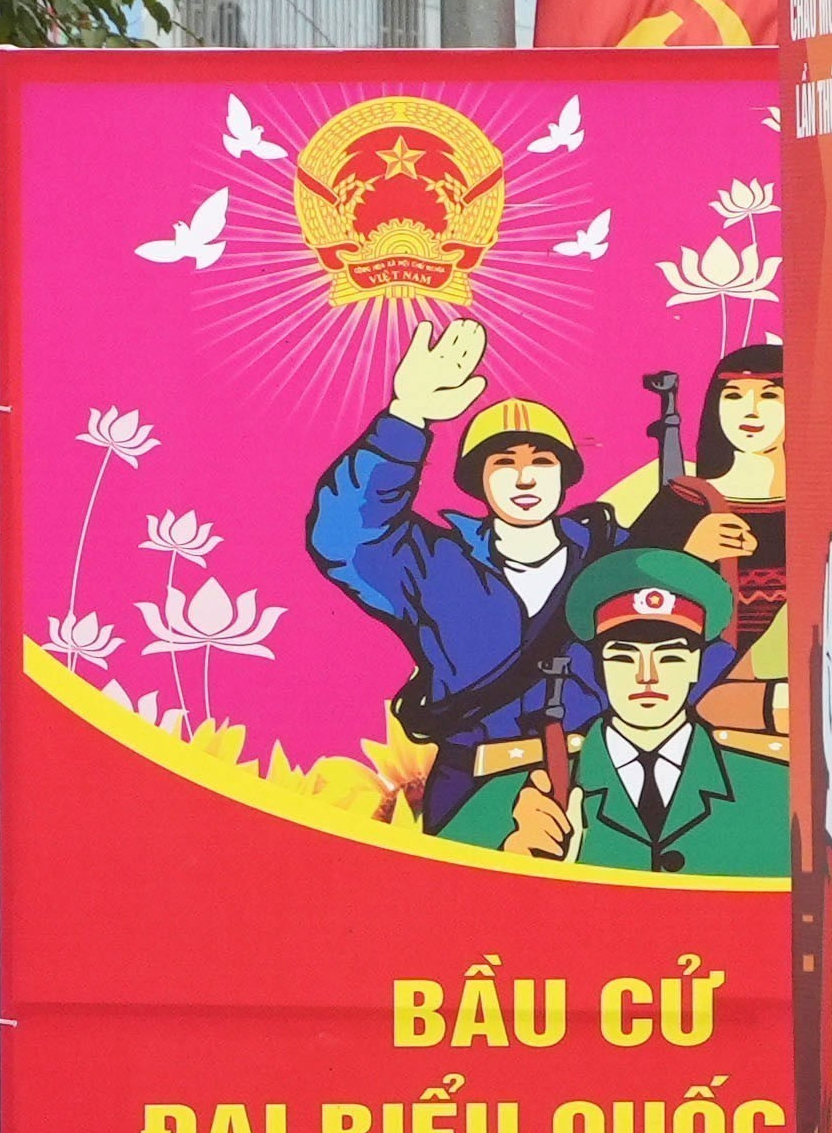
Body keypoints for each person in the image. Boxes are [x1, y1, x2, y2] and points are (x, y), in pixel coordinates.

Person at [308, 313, 619, 822]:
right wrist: (407, 417)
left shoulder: (614, 557)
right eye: (504, 463)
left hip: (598, 780)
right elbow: (343, 536)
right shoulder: (437, 564)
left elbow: (698, 640)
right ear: (479, 481)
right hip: (473, 788)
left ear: (566, 475)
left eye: (542, 462)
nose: (524, 478)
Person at [445, 544, 793, 873]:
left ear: (697, 665)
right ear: (597, 667)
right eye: (623, 657)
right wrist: (514, 862)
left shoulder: (773, 788)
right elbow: (440, 895)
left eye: (670, 657)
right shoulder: (519, 794)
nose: (647, 676)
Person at [622, 339, 799, 670]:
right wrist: (691, 557)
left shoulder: (820, 508)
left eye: (769, 395)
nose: (750, 410)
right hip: (699, 678)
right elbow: (614, 591)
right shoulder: (685, 501)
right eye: (733, 396)